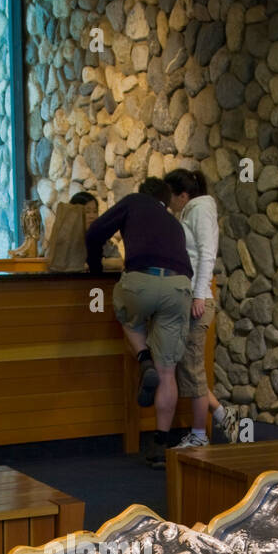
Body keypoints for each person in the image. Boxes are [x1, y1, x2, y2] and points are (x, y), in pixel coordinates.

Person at [86, 177, 192, 469]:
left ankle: (143, 357)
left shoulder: (133, 203)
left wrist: (94, 269)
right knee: (168, 370)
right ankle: (160, 444)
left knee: (128, 317)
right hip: (178, 286)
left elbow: (94, 233)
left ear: (143, 193)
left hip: (140, 281)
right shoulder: (173, 223)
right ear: (167, 199)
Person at [165, 167, 227, 447]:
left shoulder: (200, 210)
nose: (170, 203)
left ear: (184, 195)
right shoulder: (189, 211)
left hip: (196, 298)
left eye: (172, 197)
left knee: (192, 368)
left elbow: (206, 252)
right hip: (189, 295)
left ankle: (200, 434)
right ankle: (223, 415)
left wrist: (200, 295)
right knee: (186, 366)